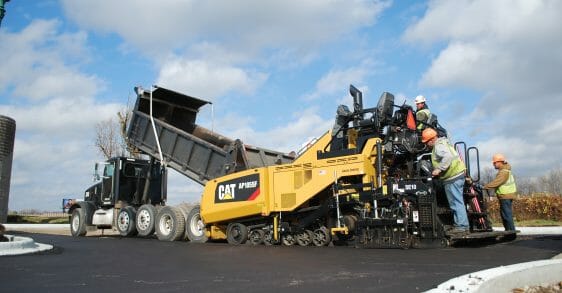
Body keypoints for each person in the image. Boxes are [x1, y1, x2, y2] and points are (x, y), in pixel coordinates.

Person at [421, 128, 469, 234]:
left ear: (432, 139)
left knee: (455, 203)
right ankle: (463, 225)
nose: (427, 144)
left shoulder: (438, 146)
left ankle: (461, 227)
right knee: (458, 202)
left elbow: (448, 157)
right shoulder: (444, 143)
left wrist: (439, 169)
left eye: (427, 142)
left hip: (453, 177)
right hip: (457, 175)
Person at [484, 153, 516, 231]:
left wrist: (484, 187)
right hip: (507, 195)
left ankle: (510, 233)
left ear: (499, 162)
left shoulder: (503, 172)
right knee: (506, 214)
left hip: (505, 195)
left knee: (506, 215)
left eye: (494, 163)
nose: (493, 165)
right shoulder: (505, 170)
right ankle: (510, 231)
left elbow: (496, 182)